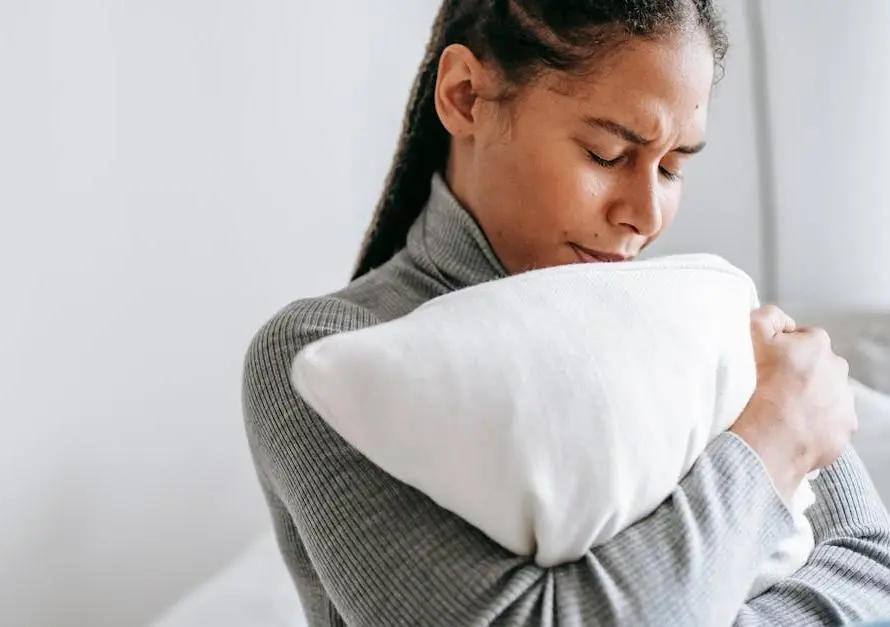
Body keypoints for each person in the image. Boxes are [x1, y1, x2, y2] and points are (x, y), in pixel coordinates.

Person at [241, 1, 890, 624]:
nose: (647, 215)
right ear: (466, 96)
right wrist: (771, 441)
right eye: (607, 154)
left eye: (671, 168)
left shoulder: (700, 315)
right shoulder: (321, 354)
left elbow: (873, 565)